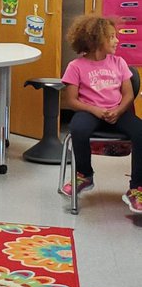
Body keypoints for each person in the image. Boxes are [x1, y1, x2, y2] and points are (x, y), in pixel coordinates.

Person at [61, 14, 142, 211]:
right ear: (97, 40)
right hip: (90, 111)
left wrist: (118, 110)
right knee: (78, 128)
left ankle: (136, 188)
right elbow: (70, 100)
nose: (117, 40)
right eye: (112, 37)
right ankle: (84, 175)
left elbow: (129, 94)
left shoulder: (119, 63)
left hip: (118, 111)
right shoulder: (76, 66)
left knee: (140, 131)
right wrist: (95, 110)